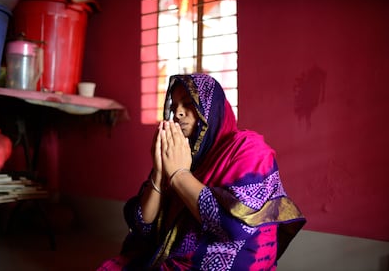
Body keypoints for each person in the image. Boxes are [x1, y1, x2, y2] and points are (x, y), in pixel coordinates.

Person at [98, 73, 306, 270]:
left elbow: (235, 226)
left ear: (211, 110)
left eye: (189, 104)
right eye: (175, 105)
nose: (178, 112)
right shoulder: (181, 151)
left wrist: (179, 174)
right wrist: (160, 173)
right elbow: (143, 224)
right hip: (179, 258)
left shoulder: (248, 148)